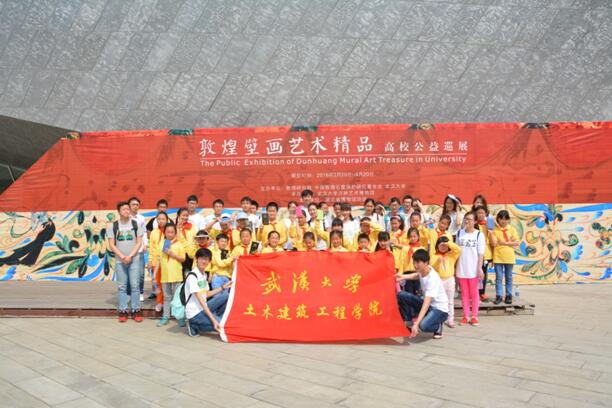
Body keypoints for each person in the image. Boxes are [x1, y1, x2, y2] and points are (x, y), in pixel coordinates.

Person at [396, 249, 449, 339]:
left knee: (423, 326)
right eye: (414, 262)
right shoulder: (425, 269)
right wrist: (403, 277)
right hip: (429, 306)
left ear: (426, 262)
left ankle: (437, 326)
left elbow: (426, 304)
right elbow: (417, 275)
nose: (415, 265)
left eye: (418, 262)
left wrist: (417, 324)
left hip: (439, 310)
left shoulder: (432, 279)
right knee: (401, 295)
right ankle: (408, 320)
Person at [108, 201, 144, 323]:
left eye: (128, 209)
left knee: (135, 285)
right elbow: (112, 245)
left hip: (134, 260)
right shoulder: (113, 226)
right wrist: (122, 257)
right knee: (122, 286)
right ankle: (123, 310)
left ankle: (136, 310)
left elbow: (139, 242)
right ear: (119, 211)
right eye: (124, 209)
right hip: (120, 261)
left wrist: (130, 256)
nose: (127, 211)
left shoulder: (136, 224)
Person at [185, 248, 232, 336]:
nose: (204, 261)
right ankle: (193, 325)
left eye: (206, 259)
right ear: (196, 259)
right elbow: (201, 301)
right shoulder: (192, 276)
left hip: (204, 308)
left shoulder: (203, 275)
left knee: (227, 295)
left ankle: (214, 317)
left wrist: (222, 287)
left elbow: (206, 294)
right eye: (201, 259)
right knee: (222, 325)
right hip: (195, 313)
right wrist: (214, 320)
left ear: (209, 261)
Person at [455, 212, 485, 326]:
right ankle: (466, 316)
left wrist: (479, 268)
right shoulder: (459, 233)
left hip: (473, 269)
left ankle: (474, 316)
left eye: (470, 219)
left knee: (474, 293)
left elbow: (481, 253)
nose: (467, 221)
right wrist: (455, 267)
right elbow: (456, 251)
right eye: (465, 219)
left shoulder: (479, 235)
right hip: (462, 267)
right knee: (464, 293)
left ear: (475, 221)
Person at [157, 223, 186, 327]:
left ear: (175, 233)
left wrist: (173, 254)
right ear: (164, 232)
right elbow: (159, 258)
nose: (170, 234)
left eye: (172, 232)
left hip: (176, 274)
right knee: (167, 297)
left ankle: (180, 317)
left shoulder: (179, 244)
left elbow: (183, 259)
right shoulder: (161, 243)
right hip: (165, 275)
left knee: (177, 297)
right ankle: (166, 316)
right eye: (168, 232)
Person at [430, 236, 461, 328]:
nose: (443, 247)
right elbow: (431, 268)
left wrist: (448, 243)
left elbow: (458, 249)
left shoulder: (451, 255)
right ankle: (439, 318)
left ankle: (450, 319)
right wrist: (438, 262)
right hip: (439, 280)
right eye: (441, 245)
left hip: (450, 280)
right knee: (439, 301)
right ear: (437, 245)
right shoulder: (434, 255)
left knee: (450, 301)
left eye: (445, 245)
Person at [490, 210, 520, 305]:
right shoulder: (495, 230)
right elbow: (494, 243)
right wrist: (491, 233)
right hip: (498, 257)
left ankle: (508, 295)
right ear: (498, 219)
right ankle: (499, 295)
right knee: (498, 278)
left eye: (505, 219)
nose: (503, 221)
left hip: (509, 257)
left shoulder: (512, 229)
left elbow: (517, 242)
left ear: (508, 220)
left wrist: (505, 243)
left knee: (509, 277)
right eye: (501, 219)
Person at [147, 211, 170, 312]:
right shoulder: (153, 232)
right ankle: (160, 302)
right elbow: (151, 248)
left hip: (167, 261)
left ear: (167, 220)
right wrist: (150, 260)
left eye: (163, 219)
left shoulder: (170, 231)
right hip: (156, 262)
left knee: (167, 283)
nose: (161, 221)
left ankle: (168, 302)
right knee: (158, 283)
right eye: (159, 219)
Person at [128, 196, 147, 302]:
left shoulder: (141, 218)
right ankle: (130, 293)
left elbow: (144, 233)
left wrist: (145, 244)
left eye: (137, 205)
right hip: (128, 250)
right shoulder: (126, 218)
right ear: (129, 206)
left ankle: (140, 292)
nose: (135, 206)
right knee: (129, 273)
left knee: (140, 274)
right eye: (133, 204)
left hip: (139, 250)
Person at [474, 205, 494, 301]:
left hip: (485, 254)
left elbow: (492, 242)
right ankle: (474, 293)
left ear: (486, 214)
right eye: (478, 213)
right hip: (474, 253)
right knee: (474, 274)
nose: (480, 215)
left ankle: (482, 292)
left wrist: (490, 232)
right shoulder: (473, 225)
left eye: (482, 213)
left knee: (483, 274)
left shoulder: (489, 225)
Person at [400, 227, 426, 295]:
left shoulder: (421, 248)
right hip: (407, 274)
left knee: (418, 294)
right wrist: (401, 274)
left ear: (418, 237)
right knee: (408, 295)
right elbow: (401, 261)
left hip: (418, 274)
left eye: (414, 236)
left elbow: (424, 263)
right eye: (411, 236)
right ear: (408, 237)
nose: (413, 238)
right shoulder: (405, 248)